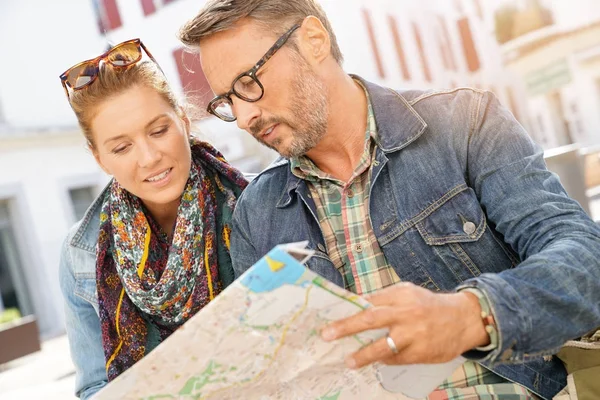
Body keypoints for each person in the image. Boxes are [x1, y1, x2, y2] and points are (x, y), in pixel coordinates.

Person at [177, 1, 600, 399]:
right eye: (227, 101)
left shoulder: (465, 123)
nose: (246, 117)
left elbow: (586, 258)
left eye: (248, 84)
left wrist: (472, 315)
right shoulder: (256, 214)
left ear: (313, 41)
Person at [58, 39, 247, 399]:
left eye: (159, 131)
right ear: (99, 159)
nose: (149, 158)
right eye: (121, 147)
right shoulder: (79, 254)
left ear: (184, 120)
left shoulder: (258, 204)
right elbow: (94, 388)